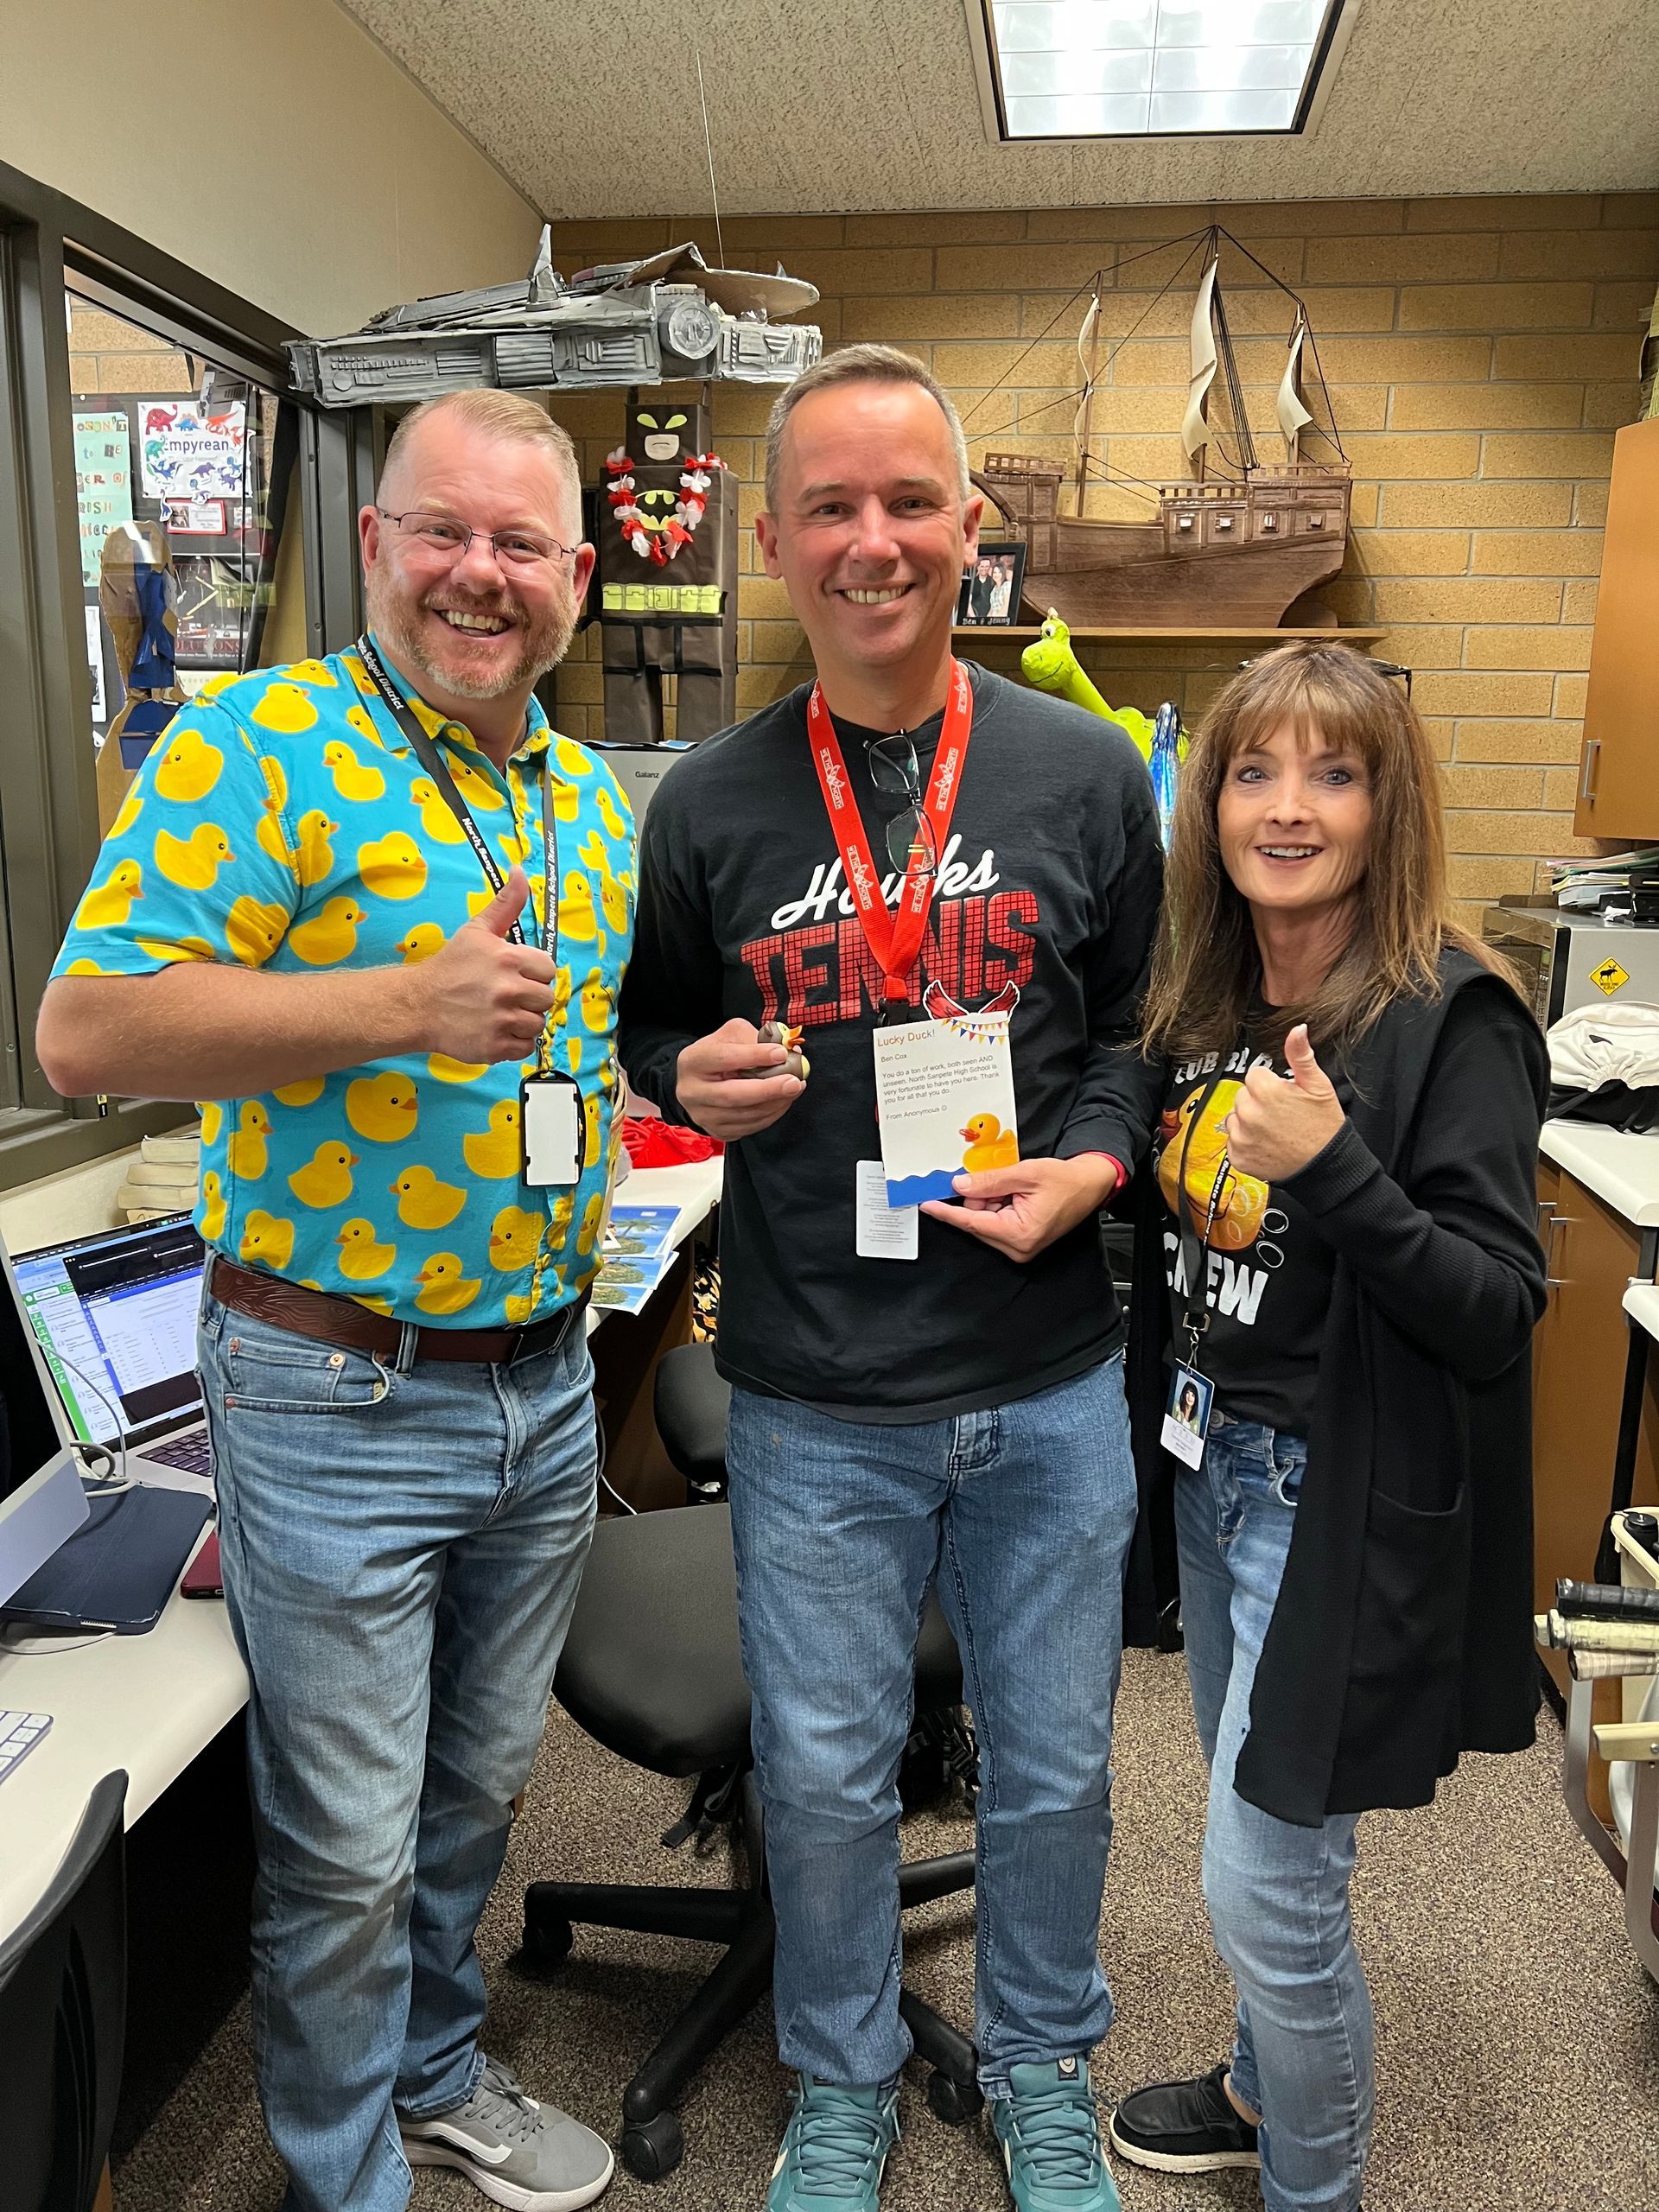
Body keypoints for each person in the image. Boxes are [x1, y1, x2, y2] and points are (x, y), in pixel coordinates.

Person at [36, 388, 632, 2212]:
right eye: (442, 531)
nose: (479, 573)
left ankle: (437, 2071)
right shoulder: (256, 741)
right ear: (374, 543)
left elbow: (570, 1061)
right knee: (348, 1846)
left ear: (577, 578)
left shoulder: (584, 794)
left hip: (542, 1382)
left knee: (474, 1793)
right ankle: (340, 2169)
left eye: (520, 544)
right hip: (335, 1390)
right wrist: (396, 1004)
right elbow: (85, 1030)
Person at [619, 344, 1164, 2212]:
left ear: (970, 527)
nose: (875, 542)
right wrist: (680, 1074)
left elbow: (1137, 1040)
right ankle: (839, 2078)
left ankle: (1034, 2066)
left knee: (1058, 1768)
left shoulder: (1088, 773)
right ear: (772, 541)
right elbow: (648, 1032)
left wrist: (1091, 1163)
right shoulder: (707, 803)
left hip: (1045, 1381)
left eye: (910, 502)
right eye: (832, 508)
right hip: (811, 1394)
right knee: (831, 1779)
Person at [1106, 643, 1547, 2212]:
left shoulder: (1449, 1014)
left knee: (1265, 1877)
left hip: (1332, 1500)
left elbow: (1499, 1305)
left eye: (1334, 773)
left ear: (1387, 803)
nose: (1287, 808)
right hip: (1218, 1463)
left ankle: (1319, 2188)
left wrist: (1340, 1168)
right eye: (1254, 770)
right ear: (1211, 795)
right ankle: (1250, 2085)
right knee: (1272, 1844)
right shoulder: (1215, 992)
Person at [967, 553, 996, 622]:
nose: (984, 569)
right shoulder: (972, 582)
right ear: (978, 567)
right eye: (982, 566)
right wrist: (973, 618)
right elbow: (968, 601)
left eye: (987, 566)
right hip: (973, 616)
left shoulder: (993, 582)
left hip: (990, 618)